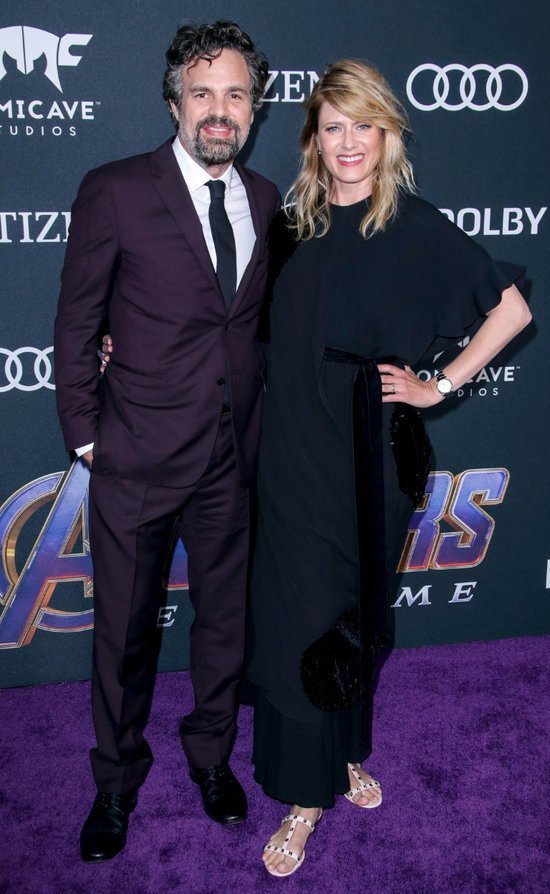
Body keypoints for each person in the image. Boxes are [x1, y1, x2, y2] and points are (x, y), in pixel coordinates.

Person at [245, 60, 532, 877]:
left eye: (364, 126)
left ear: (387, 135)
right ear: (314, 138)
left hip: (369, 449)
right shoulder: (289, 226)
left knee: (358, 606)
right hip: (291, 445)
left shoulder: (414, 224)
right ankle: (306, 796)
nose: (349, 143)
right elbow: (238, 329)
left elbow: (511, 308)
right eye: (333, 126)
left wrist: (439, 385)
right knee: (300, 613)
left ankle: (343, 752)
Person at [54, 20, 280, 862]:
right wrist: (87, 439)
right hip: (135, 455)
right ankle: (115, 781)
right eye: (202, 93)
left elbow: (254, 327)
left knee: (224, 626)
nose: (219, 111)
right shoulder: (114, 189)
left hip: (232, 457)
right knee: (122, 635)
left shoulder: (267, 200)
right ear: (174, 102)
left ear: (254, 108)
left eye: (235, 95)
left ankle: (212, 759)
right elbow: (76, 322)